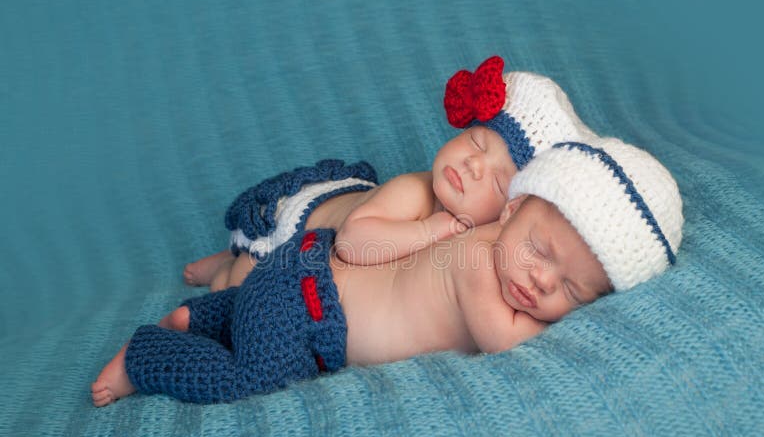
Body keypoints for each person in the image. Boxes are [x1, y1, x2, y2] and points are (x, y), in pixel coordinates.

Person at [91, 134, 683, 406]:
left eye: (573, 290)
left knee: (253, 314)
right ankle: (148, 356)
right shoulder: (478, 259)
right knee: (245, 378)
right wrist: (574, 319)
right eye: (540, 250)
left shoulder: (495, 248)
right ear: (513, 209)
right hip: (308, 311)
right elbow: (506, 344)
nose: (541, 282)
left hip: (302, 285)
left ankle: (198, 317)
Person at [183, 55, 597, 291]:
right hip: (301, 225)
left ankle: (225, 259)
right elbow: (351, 243)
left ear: (513, 210)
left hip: (336, 247)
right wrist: (429, 231)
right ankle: (221, 267)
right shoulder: (413, 193)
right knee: (241, 282)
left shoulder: (483, 241)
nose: (473, 165)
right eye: (476, 142)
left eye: (496, 180)